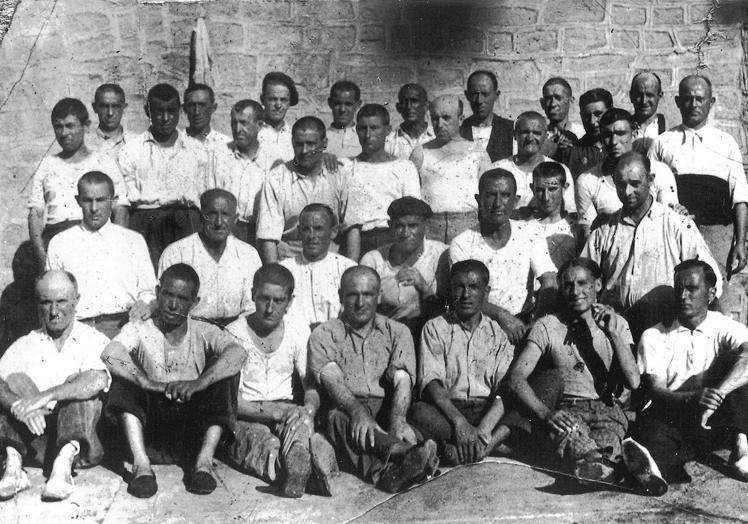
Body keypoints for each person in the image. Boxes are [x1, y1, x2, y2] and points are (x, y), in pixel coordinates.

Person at [507, 258, 661, 492]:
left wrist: (612, 334)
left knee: (604, 444)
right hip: (570, 411)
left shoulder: (617, 323)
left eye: (582, 283)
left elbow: (633, 380)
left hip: (609, 410)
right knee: (577, 443)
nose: (575, 291)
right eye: (568, 285)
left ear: (598, 285)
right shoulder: (548, 325)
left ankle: (602, 466)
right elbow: (516, 377)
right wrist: (546, 413)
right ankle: (616, 466)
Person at [102, 264, 247, 498]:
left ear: (194, 302)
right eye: (168, 294)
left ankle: (204, 463)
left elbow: (238, 353)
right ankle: (141, 467)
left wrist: (200, 383)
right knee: (123, 381)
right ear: (158, 293)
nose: (173, 304)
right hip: (152, 432)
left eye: (182, 298)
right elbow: (110, 353)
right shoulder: (140, 329)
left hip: (191, 435)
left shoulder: (203, 330)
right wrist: (145, 382)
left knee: (226, 375)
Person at [308, 266, 439, 493]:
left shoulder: (397, 331)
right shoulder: (323, 334)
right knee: (336, 419)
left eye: (368, 295)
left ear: (378, 297)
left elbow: (403, 381)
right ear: (341, 297)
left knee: (416, 414)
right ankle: (401, 458)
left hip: (386, 408)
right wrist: (359, 413)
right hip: (347, 407)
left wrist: (398, 419)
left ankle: (398, 465)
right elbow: (334, 383)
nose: (360, 302)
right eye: (352, 295)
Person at [223, 264, 338, 497]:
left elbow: (310, 386)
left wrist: (308, 409)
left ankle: (301, 455)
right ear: (253, 294)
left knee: (298, 427)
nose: (270, 308)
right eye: (264, 298)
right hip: (247, 413)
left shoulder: (297, 329)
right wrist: (276, 412)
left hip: (287, 408)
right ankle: (296, 468)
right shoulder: (234, 333)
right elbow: (232, 402)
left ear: (290, 301)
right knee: (256, 442)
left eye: (279, 300)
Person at [582, 152, 722, 339]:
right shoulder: (604, 231)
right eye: (621, 184)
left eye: (635, 183)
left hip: (666, 332)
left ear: (650, 180)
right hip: (615, 330)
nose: (627, 191)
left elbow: (710, 280)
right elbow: (583, 278)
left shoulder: (678, 225)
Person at [0, 271, 111, 501]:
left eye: (61, 301)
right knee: (14, 381)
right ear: (36, 303)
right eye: (45, 302)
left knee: (78, 385)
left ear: (76, 301)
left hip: (79, 446)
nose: (53, 311)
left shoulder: (94, 339)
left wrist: (42, 398)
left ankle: (63, 468)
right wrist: (20, 405)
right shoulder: (26, 343)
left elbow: (97, 380)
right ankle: (14, 467)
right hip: (35, 440)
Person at [636, 259, 748, 483]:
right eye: (679, 289)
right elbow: (656, 391)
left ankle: (741, 447)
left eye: (692, 288)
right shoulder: (654, 335)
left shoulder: (723, 325)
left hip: (717, 416)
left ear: (711, 293)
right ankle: (664, 463)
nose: (683, 296)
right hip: (676, 412)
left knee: (740, 369)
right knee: (650, 437)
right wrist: (693, 399)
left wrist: (717, 396)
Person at [649, 75, 748, 323]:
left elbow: (740, 197)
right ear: (677, 102)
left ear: (711, 102)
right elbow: (651, 193)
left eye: (700, 99)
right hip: (676, 234)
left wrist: (740, 242)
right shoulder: (662, 143)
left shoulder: (726, 143)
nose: (694, 104)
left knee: (719, 301)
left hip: (718, 235)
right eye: (688, 99)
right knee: (679, 299)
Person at [408, 260, 514, 465]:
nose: (466, 295)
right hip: (450, 411)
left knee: (520, 406)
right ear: (450, 289)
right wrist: (459, 422)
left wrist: (483, 430)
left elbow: (504, 390)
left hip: (488, 411)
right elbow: (432, 382)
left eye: (474, 287)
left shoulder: (498, 333)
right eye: (459, 287)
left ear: (486, 291)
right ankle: (485, 446)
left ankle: (470, 447)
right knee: (418, 411)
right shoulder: (435, 327)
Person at [450, 169, 557, 345]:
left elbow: (550, 281)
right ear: (479, 200)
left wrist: (534, 325)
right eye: (491, 195)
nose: (498, 203)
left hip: (523, 325)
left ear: (515, 201)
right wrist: (501, 316)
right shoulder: (462, 243)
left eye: (505, 195)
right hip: (478, 325)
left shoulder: (529, 232)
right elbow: (460, 295)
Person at [46, 172, 156, 339]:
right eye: (88, 200)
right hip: (77, 332)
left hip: (123, 330)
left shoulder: (133, 241)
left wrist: (144, 305)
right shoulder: (60, 243)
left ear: (112, 201)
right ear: (78, 201)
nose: (94, 208)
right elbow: (51, 296)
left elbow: (149, 292)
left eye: (101, 200)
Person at [28, 98, 129, 269]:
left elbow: (120, 208)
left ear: (86, 126)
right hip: (56, 239)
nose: (64, 133)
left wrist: (117, 249)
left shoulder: (104, 162)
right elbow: (35, 214)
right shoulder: (47, 164)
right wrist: (42, 256)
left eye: (70, 125)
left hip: (97, 239)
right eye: (58, 127)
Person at [118, 83, 209, 268]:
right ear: (147, 111)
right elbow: (124, 204)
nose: (166, 118)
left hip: (186, 223)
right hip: (146, 223)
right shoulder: (131, 150)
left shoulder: (197, 151)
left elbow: (204, 199)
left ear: (180, 110)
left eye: (171, 111)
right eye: (159, 111)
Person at [158, 189, 262, 326]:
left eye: (225, 214)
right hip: (190, 331)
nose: (218, 222)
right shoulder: (176, 253)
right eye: (211, 214)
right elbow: (166, 305)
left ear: (235, 219)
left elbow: (252, 308)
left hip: (235, 330)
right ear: (201, 216)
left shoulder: (248, 254)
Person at [256, 116, 349, 264]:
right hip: (289, 259)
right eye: (299, 144)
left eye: (311, 144)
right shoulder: (276, 178)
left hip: (330, 258)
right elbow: (268, 237)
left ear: (324, 143)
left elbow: (352, 228)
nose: (304, 150)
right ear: (292, 143)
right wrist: (275, 275)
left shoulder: (339, 175)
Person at [575, 108, 678, 238]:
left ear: (634, 134)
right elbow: (588, 236)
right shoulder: (587, 181)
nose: (613, 142)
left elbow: (669, 223)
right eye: (607, 136)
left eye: (621, 133)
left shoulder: (660, 172)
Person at [360, 197, 448, 343]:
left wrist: (424, 288)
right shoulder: (374, 260)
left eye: (413, 226)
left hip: (434, 337)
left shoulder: (441, 255)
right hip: (387, 337)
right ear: (390, 226)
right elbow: (362, 308)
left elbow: (449, 305)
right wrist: (391, 284)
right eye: (399, 226)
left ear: (425, 226)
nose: (406, 233)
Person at [343, 104, 421, 260]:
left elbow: (412, 213)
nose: (367, 134)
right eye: (362, 128)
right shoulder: (346, 166)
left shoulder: (404, 167)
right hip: (356, 240)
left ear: (388, 130)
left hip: (393, 239)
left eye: (374, 128)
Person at [410, 95, 492, 244]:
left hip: (469, 225)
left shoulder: (478, 153)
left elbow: (488, 198)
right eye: (435, 118)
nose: (440, 124)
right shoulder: (420, 153)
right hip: (430, 227)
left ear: (461, 119)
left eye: (446, 118)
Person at [280, 204, 355, 330]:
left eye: (318, 228)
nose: (311, 236)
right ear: (299, 231)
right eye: (306, 229)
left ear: (333, 232)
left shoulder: (347, 269)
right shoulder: (284, 270)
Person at [208, 99, 274, 244]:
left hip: (260, 233)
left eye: (244, 123)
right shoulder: (219, 155)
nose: (237, 130)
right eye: (234, 123)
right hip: (227, 230)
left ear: (260, 125)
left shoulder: (272, 159)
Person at [492, 111, 576, 214]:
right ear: (514, 135)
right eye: (524, 132)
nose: (530, 138)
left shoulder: (560, 170)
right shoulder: (498, 169)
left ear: (546, 136)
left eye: (536, 133)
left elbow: (569, 211)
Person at [516, 162, 580, 271]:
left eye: (552, 189)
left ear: (564, 188)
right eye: (540, 190)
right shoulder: (523, 226)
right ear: (532, 188)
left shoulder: (576, 228)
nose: (546, 197)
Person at [460, 70, 514, 162]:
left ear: (496, 95)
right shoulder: (460, 131)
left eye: (485, 94)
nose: (479, 100)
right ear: (467, 95)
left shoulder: (510, 130)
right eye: (474, 94)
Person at [558, 88, 612, 178]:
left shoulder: (623, 147)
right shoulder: (572, 153)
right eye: (586, 116)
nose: (592, 121)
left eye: (598, 114)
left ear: (610, 112)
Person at [258, 72, 299, 164]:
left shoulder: (295, 135)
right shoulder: (253, 133)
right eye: (273, 99)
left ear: (289, 103)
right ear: (262, 100)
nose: (278, 105)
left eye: (283, 100)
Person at [384, 83, 434, 160]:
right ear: (398, 107)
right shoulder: (389, 141)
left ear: (426, 106)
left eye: (414, 101)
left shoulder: (436, 136)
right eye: (404, 102)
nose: (409, 106)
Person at [539, 77, 584, 158]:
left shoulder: (582, 134)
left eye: (558, 98)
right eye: (548, 99)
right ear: (542, 103)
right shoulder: (537, 138)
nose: (553, 104)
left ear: (571, 101)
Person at [87, 83, 136, 157]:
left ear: (124, 108)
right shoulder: (84, 144)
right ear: (95, 108)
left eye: (115, 106)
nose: (110, 113)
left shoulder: (136, 142)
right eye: (104, 106)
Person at [183, 83, 230, 150]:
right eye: (192, 105)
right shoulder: (174, 143)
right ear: (185, 109)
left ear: (213, 108)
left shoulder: (225, 144)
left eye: (202, 105)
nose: (197, 112)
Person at [326, 80, 362, 158]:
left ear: (358, 105)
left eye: (348, 104)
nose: (342, 109)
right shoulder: (320, 139)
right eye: (337, 104)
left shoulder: (365, 138)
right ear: (330, 103)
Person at [629, 72, 666, 143]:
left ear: (660, 96)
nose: (644, 101)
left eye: (650, 95)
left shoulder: (669, 128)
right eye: (639, 95)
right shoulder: (624, 128)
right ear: (631, 96)